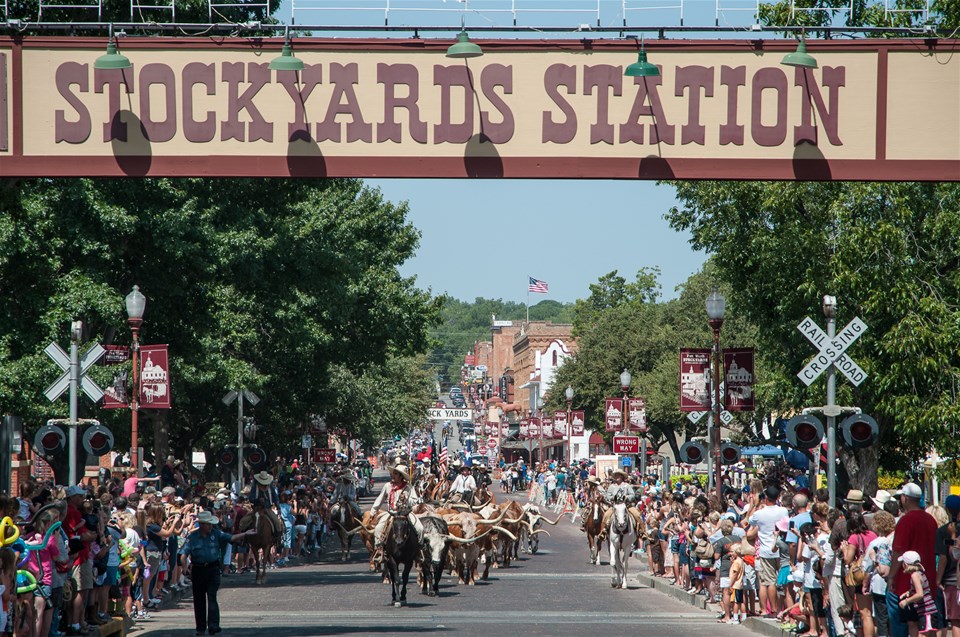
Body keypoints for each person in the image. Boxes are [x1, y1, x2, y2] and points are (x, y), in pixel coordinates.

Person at [181, 510, 256, 636]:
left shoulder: (216, 534)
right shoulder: (192, 538)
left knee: (212, 596)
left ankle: (213, 625)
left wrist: (245, 534)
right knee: (199, 600)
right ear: (202, 524)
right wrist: (184, 567)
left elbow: (231, 538)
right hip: (198, 570)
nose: (210, 526)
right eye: (208, 524)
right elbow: (183, 553)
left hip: (212, 569)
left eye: (211, 524)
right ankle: (200, 628)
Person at [888, 483, 939, 637]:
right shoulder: (931, 520)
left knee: (907, 624)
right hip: (927, 578)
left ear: (906, 498)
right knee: (926, 623)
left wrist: (891, 576)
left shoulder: (905, 521)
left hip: (906, 581)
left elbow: (898, 551)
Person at [369, 465, 422, 557]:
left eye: (396, 474)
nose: (393, 475)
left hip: (406, 513)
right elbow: (379, 499)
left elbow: (414, 501)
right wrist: (373, 512)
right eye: (393, 473)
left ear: (401, 476)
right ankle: (379, 550)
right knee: (378, 529)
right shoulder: (387, 486)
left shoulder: (408, 487)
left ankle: (419, 550)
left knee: (420, 529)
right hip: (392, 513)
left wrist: (406, 499)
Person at [896, 551, 942, 636]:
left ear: (906, 564)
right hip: (927, 611)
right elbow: (919, 588)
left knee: (922, 634)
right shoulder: (919, 573)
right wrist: (909, 592)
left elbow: (920, 594)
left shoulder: (914, 576)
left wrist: (906, 601)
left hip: (927, 611)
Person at [600, 470, 642, 537]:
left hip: (627, 506)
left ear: (622, 476)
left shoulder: (627, 486)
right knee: (606, 516)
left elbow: (632, 495)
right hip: (614, 506)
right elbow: (607, 496)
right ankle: (603, 532)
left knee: (637, 515)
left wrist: (627, 497)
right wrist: (612, 498)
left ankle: (642, 531)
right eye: (616, 475)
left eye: (618, 475)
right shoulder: (612, 486)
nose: (617, 477)